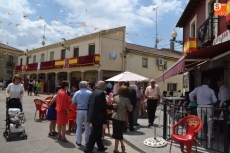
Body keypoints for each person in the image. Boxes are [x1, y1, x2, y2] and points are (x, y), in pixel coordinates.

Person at [84, 81, 117, 153]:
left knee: (98, 132)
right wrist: (112, 106)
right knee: (95, 132)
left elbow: (90, 104)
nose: (105, 88)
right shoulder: (101, 93)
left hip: (93, 116)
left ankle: (100, 146)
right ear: (102, 86)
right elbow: (102, 106)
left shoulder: (93, 92)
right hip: (98, 117)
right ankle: (89, 149)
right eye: (104, 86)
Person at [112, 85, 133, 153]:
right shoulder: (127, 99)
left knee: (118, 133)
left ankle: (122, 145)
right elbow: (130, 109)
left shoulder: (115, 97)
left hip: (115, 116)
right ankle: (115, 149)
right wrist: (131, 106)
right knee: (118, 134)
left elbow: (113, 106)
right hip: (122, 118)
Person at [72, 81, 92, 146]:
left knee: (79, 126)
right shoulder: (90, 93)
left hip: (79, 110)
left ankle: (78, 141)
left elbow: (73, 102)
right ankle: (87, 141)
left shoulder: (76, 93)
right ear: (86, 85)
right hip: (87, 111)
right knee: (87, 127)